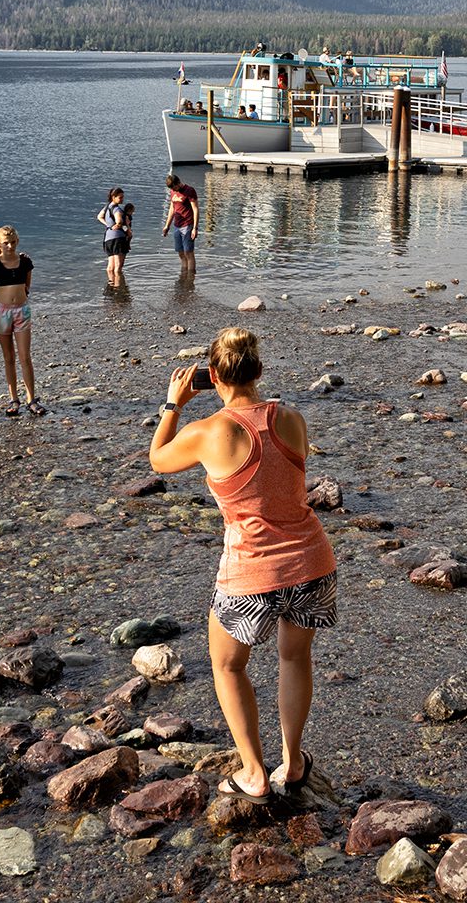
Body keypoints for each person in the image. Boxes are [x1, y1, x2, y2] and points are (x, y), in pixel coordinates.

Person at [149, 328, 336, 804]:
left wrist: (174, 404)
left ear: (212, 377)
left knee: (227, 667)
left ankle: (254, 772)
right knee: (294, 657)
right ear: (258, 371)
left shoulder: (207, 432)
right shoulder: (291, 418)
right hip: (311, 560)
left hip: (250, 572)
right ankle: (292, 764)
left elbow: (157, 461)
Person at [0, 226, 43, 416]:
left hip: (22, 310)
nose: (10, 246)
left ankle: (31, 399)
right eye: (6, 243)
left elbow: (27, 286)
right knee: (8, 357)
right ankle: (13, 399)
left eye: (13, 242)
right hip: (1, 311)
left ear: (17, 241)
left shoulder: (25, 261)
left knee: (25, 356)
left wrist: (16, 294)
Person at [164, 173, 199, 274]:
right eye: (172, 189)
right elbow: (172, 209)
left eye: (174, 187)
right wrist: (167, 225)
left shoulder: (189, 191)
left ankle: (190, 278)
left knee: (188, 253)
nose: (173, 190)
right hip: (177, 226)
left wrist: (195, 228)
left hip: (188, 225)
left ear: (178, 183)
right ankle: (184, 275)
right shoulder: (172, 191)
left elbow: (195, 209)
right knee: (180, 253)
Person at [98, 188, 129, 286]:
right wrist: (126, 229)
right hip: (118, 239)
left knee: (110, 267)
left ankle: (111, 287)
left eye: (123, 197)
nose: (122, 199)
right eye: (120, 197)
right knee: (118, 268)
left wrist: (109, 225)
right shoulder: (116, 208)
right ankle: (118, 290)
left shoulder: (107, 207)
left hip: (108, 239)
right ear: (113, 197)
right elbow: (119, 221)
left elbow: (99, 217)